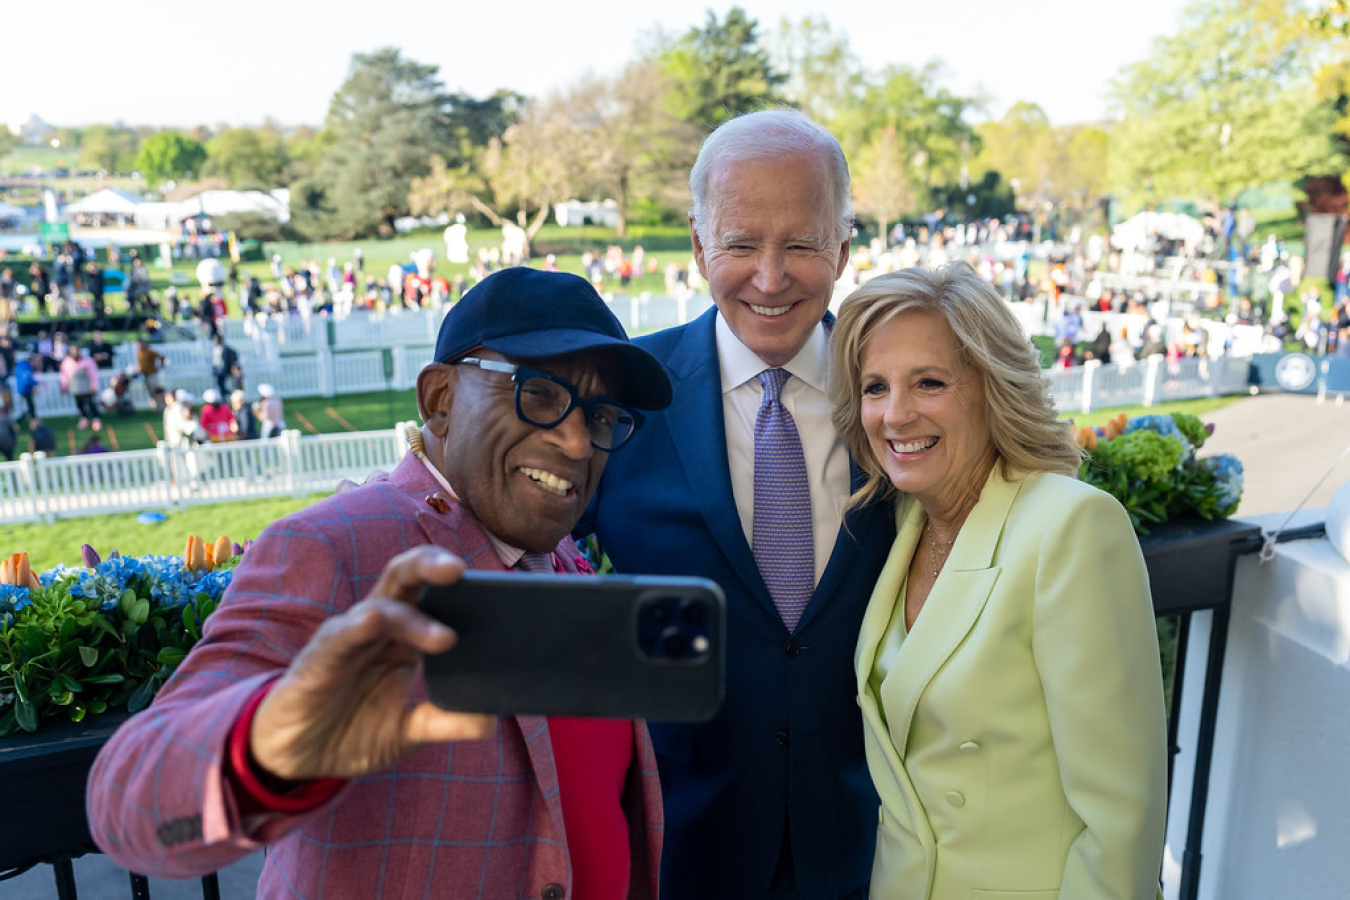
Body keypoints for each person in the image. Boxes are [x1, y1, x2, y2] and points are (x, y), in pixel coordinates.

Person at [87, 267, 673, 899]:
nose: (579, 441)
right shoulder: (336, 547)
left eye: (602, 415)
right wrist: (274, 747)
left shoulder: (562, 558)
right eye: (539, 394)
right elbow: (136, 813)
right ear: (440, 399)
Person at [579, 108, 896, 900]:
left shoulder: (900, 395)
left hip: (876, 845)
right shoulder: (625, 396)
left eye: (799, 244)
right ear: (697, 245)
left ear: (845, 247)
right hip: (681, 846)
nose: (768, 276)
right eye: (741, 244)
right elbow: (514, 537)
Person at [828, 263, 1167, 899]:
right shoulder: (899, 525)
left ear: (992, 387)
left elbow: (1122, 826)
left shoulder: (1070, 528)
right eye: (875, 387)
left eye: (928, 382)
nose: (895, 415)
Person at [59, 344, 101, 431]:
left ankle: (95, 419)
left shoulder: (88, 361)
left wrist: (94, 386)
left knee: (89, 402)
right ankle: (84, 419)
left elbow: (93, 375)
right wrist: (63, 386)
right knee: (79, 403)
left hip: (86, 385)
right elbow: (64, 376)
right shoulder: (66, 362)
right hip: (75, 386)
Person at [135, 338, 168, 408]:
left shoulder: (149, 352)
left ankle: (162, 406)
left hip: (152, 374)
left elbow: (162, 357)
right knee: (150, 392)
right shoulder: (139, 353)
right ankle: (155, 407)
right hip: (144, 375)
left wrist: (160, 367)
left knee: (156, 391)